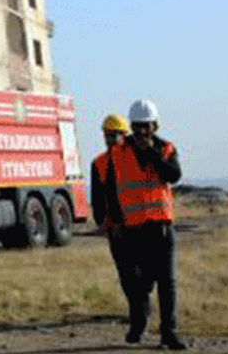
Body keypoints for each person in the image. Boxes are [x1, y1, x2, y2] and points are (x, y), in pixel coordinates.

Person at [94, 100, 186, 350]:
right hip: (133, 230)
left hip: (162, 228)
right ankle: (139, 321)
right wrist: (112, 224)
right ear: (132, 127)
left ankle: (169, 332)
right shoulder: (117, 154)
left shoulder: (166, 149)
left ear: (155, 125)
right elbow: (110, 193)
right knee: (139, 283)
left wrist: (151, 153)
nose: (142, 132)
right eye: (137, 127)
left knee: (167, 282)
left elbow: (173, 175)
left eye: (146, 126)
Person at [90, 113, 141, 326]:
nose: (110, 139)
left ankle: (140, 307)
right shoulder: (99, 163)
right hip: (116, 227)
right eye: (107, 135)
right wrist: (102, 222)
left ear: (124, 135)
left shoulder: (135, 157)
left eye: (114, 135)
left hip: (138, 224)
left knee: (142, 271)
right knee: (125, 272)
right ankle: (137, 310)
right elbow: (97, 198)